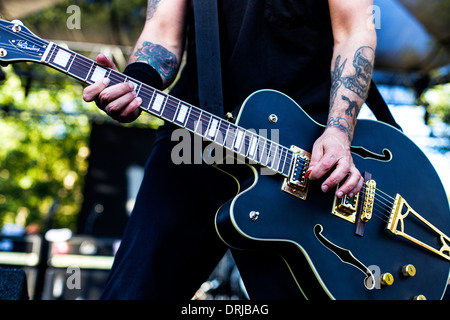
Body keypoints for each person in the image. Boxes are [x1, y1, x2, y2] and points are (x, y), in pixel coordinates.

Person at [82, 0, 376, 299]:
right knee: (134, 291)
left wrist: (339, 131)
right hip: (194, 135)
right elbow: (162, 31)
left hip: (299, 157)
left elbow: (355, 30)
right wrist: (135, 84)